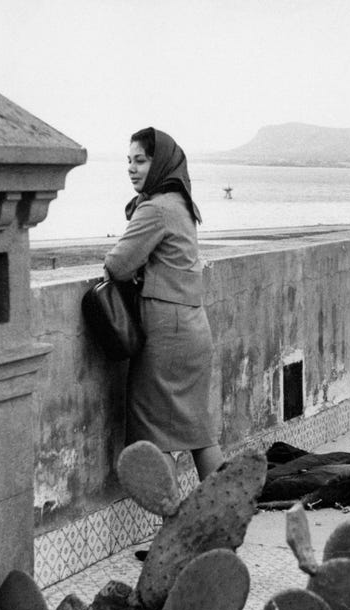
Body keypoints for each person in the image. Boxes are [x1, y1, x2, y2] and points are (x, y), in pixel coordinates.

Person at [105, 127, 225, 486]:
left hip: (166, 334)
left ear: (160, 164)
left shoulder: (155, 209)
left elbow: (117, 265)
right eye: (128, 161)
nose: (132, 168)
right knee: (199, 432)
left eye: (140, 160)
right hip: (192, 327)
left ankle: (175, 532)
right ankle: (223, 519)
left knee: (154, 433)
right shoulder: (182, 204)